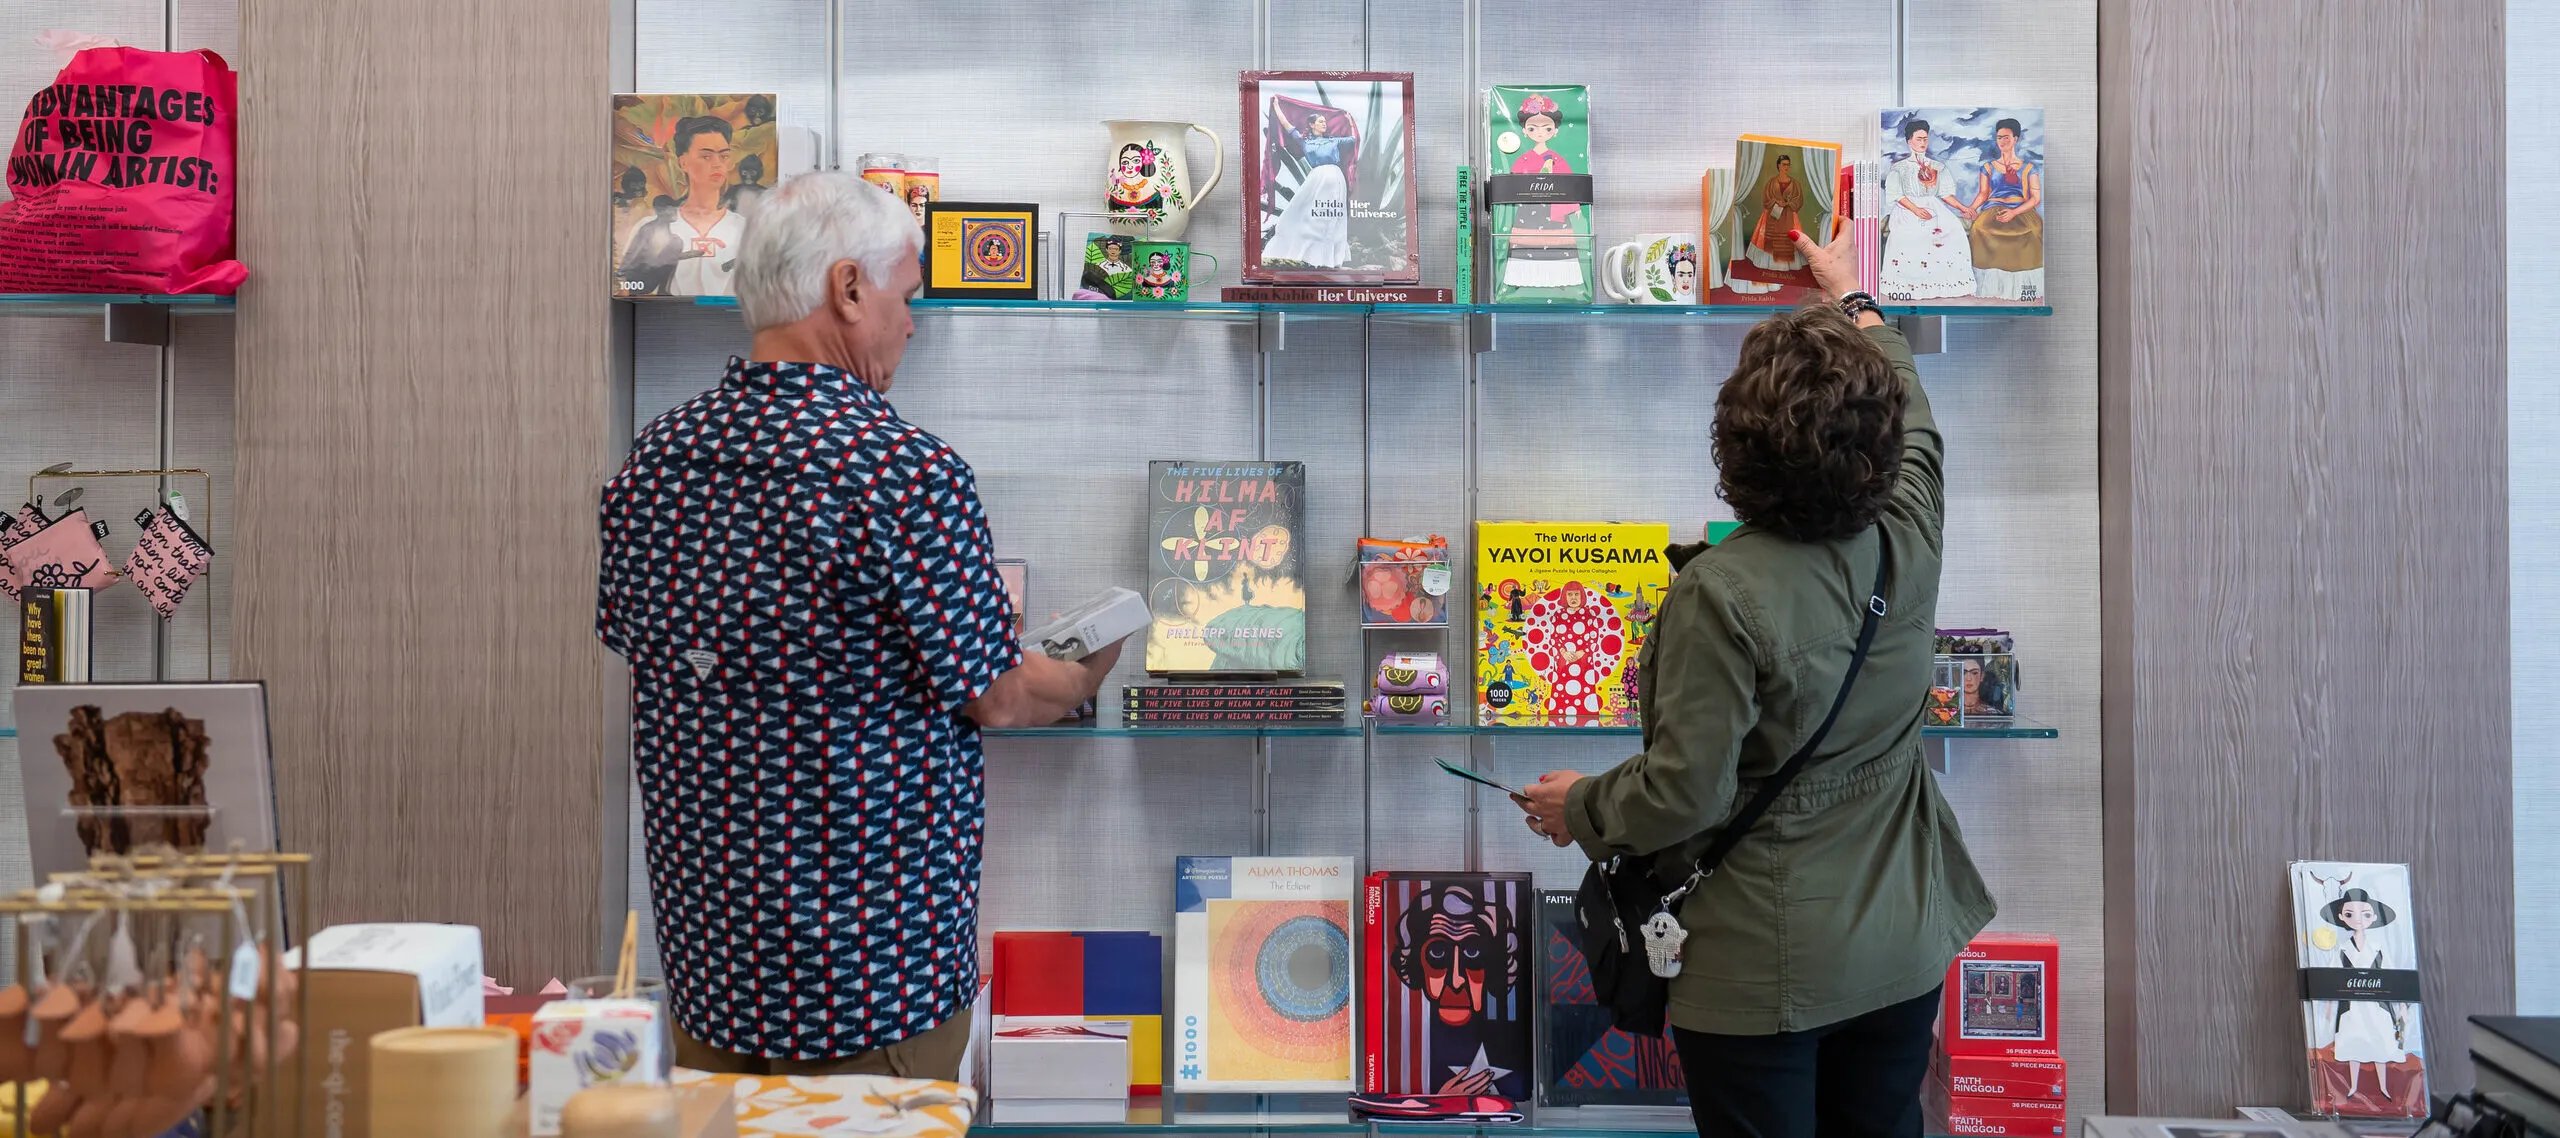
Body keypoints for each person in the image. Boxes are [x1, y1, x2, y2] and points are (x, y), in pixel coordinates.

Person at [595, 171, 1124, 1078]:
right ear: (847, 289)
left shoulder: (656, 458)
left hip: (710, 978)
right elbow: (999, 698)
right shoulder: (904, 474)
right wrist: (1085, 671)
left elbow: (648, 645)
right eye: (905, 295)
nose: (910, 323)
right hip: (873, 991)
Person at [1515, 225, 1995, 1138]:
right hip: (1903, 940)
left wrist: (1577, 805)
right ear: (1879, 443)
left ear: (1734, 449)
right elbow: (1920, 418)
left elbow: (1684, 792)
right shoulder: (1908, 536)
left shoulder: (1720, 592)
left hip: (1765, 970)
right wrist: (1853, 298)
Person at [1879, 119, 1979, 301]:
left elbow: (1945, 194)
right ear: (1909, 141)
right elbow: (1897, 195)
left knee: (1952, 229)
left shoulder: (1937, 167)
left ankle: (1945, 283)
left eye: (1925, 139)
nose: (1923, 143)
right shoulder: (1899, 168)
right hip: (1907, 208)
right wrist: (1916, 210)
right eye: (1919, 139)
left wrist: (1963, 207)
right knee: (1914, 233)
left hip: (1934, 207)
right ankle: (1914, 285)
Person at [1966, 118, 2045, 300]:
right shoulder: (1988, 167)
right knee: (1979, 229)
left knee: (2032, 231)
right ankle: (1991, 288)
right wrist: (1971, 208)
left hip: (2021, 210)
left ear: (2016, 138)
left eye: (2006, 137)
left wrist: (2014, 212)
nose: (2002, 141)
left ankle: (2021, 289)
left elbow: (2036, 198)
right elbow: (1983, 193)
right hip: (1993, 208)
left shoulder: (2028, 168)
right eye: (1999, 137)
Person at [665, 115, 743, 296]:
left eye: (723, 156)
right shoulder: (654, 228)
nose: (717, 164)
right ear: (683, 162)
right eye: (706, 156)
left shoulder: (747, 230)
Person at [1264, 110, 1352, 267]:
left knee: (1330, 216)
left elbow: (1352, 139)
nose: (1324, 123)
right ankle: (1298, 249)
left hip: (1335, 178)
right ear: (1312, 125)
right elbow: (1287, 126)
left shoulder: (1334, 141)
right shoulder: (1305, 141)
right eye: (1320, 121)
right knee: (1304, 211)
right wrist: (1277, 106)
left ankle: (1328, 258)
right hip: (1317, 177)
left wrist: (1350, 121)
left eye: (1325, 121)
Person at [1747, 153, 1808, 273]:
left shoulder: (1795, 183)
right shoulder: (1771, 182)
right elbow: (1766, 199)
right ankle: (1770, 264)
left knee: (1789, 238)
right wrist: (1776, 201)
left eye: (1788, 165)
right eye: (1784, 164)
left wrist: (1788, 203)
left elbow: (1798, 199)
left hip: (1789, 216)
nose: (1787, 167)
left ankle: (1786, 264)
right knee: (1769, 240)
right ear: (1778, 166)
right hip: (1772, 215)